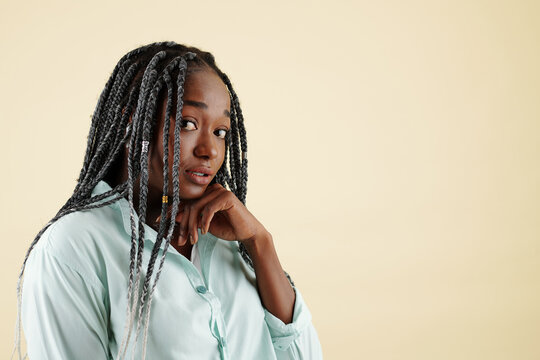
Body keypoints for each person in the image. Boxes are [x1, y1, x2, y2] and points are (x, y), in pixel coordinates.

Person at [13, 41, 323, 359]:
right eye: (189, 124)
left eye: (221, 132)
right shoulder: (74, 247)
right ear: (134, 121)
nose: (211, 151)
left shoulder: (227, 237)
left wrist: (261, 243)